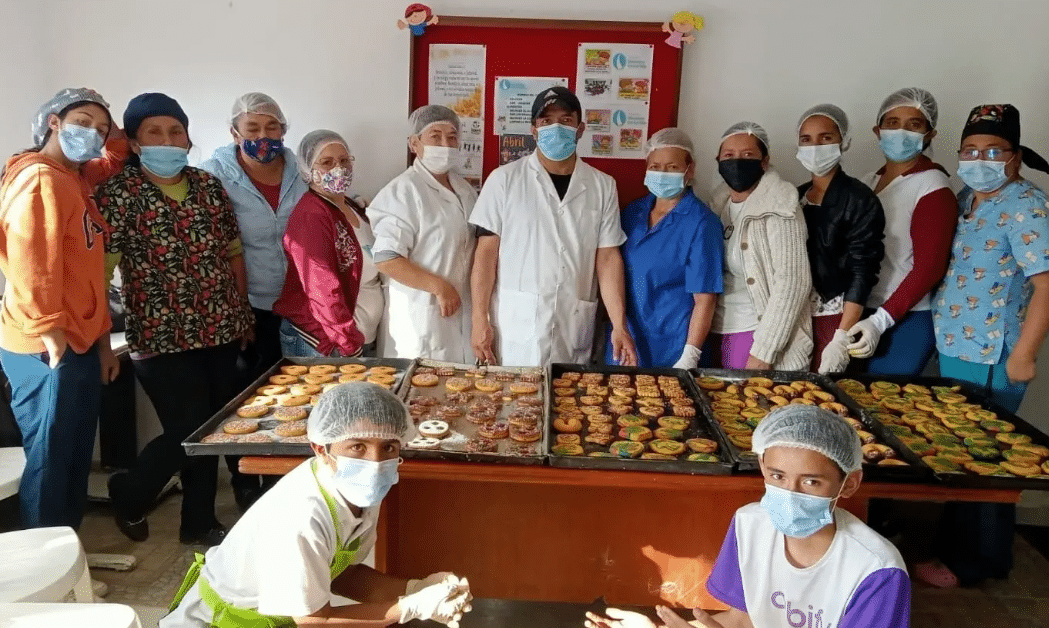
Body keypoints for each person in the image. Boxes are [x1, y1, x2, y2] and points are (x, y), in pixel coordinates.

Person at [161, 383, 473, 628]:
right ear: (321, 448)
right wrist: (408, 608)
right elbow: (315, 622)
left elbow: (342, 574)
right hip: (220, 622)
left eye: (388, 447)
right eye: (357, 446)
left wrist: (415, 588)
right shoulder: (302, 516)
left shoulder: (358, 492)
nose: (375, 463)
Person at [586, 405, 910, 628]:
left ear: (848, 483)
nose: (790, 494)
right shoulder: (750, 526)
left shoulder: (876, 571)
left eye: (811, 482)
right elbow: (742, 620)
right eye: (778, 476)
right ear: (763, 468)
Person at [99, 93, 253, 546]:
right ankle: (130, 490)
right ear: (135, 142)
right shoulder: (118, 194)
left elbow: (233, 252)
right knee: (189, 429)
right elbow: (99, 276)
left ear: (187, 138)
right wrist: (103, 344)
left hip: (221, 327)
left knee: (213, 428)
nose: (167, 140)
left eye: (176, 131)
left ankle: (198, 522)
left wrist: (242, 311)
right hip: (159, 335)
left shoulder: (207, 186)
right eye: (154, 132)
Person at [920, 104, 1049, 588]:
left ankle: (977, 563)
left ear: (1015, 156)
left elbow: (1046, 284)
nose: (980, 160)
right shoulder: (967, 198)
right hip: (957, 349)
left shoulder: (1027, 205)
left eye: (993, 151)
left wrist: (1024, 353)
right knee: (959, 453)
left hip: (995, 355)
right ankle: (957, 552)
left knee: (987, 458)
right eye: (971, 150)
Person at [0, 87, 125, 530]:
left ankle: (69, 548)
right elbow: (31, 262)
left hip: (80, 339)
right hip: (47, 343)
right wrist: (50, 330)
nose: (94, 134)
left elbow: (118, 155)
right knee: (50, 458)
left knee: (73, 453)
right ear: (53, 122)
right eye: (82, 123)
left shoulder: (75, 177)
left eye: (101, 129)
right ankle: (43, 555)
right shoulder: (40, 179)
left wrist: (102, 345)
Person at [470, 86, 637, 367]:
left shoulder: (602, 185)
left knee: (568, 392)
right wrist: (479, 319)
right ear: (534, 130)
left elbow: (608, 258)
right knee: (514, 392)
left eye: (565, 120)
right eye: (546, 121)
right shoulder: (503, 180)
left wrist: (619, 325)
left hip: (572, 323)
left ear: (580, 129)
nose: (556, 128)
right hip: (517, 324)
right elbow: (486, 254)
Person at [199, 92, 307, 509]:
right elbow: (212, 248)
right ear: (234, 133)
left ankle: (284, 485)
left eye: (272, 127)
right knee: (244, 400)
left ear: (284, 129)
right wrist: (236, 308)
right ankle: (245, 482)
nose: (264, 136)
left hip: (299, 307)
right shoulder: (214, 176)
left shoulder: (302, 170)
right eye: (253, 128)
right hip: (245, 307)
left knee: (293, 399)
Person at [848, 88, 956, 375]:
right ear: (878, 130)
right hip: (859, 311)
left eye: (914, 124)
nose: (901, 132)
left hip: (905, 319)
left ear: (929, 134)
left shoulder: (932, 186)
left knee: (884, 399)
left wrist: (880, 321)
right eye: (892, 123)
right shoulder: (867, 183)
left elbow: (930, 268)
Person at [369, 105, 476, 363]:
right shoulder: (402, 192)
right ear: (414, 143)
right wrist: (438, 287)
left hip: (462, 316)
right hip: (421, 319)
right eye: (435, 136)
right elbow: (386, 258)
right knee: (422, 384)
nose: (445, 145)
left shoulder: (465, 190)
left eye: (452, 137)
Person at [610, 127, 722, 369]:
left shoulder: (701, 222)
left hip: (673, 347)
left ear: (689, 170)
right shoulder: (632, 213)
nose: (662, 174)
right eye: (655, 166)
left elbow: (705, 299)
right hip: (627, 340)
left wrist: (690, 356)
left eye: (672, 167)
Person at [707, 122, 812, 371]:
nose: (737, 162)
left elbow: (793, 281)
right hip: (717, 332)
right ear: (718, 161)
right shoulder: (715, 208)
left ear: (764, 162)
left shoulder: (780, 205)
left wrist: (763, 353)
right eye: (729, 155)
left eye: (747, 155)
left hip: (757, 336)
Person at [794, 104, 886, 374]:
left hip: (835, 315)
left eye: (826, 138)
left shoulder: (859, 199)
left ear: (843, 141)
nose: (815, 147)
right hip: (796, 317)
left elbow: (863, 269)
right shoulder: (794, 197)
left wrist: (841, 337)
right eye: (806, 139)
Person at [274, 130, 369, 358]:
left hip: (351, 337)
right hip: (322, 340)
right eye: (327, 162)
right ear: (308, 170)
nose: (339, 169)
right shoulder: (312, 215)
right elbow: (323, 288)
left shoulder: (350, 205)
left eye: (344, 160)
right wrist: (348, 343)